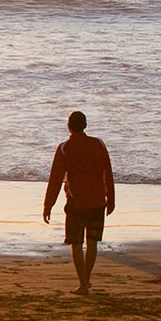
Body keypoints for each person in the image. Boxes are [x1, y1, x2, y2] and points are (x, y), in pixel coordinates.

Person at [43, 111, 115, 296]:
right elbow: (108, 172)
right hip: (98, 201)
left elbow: (55, 179)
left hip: (75, 204)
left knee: (76, 244)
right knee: (92, 243)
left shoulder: (65, 148)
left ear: (69, 126)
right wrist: (111, 199)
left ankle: (83, 283)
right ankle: (86, 280)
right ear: (85, 125)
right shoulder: (98, 144)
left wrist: (48, 204)